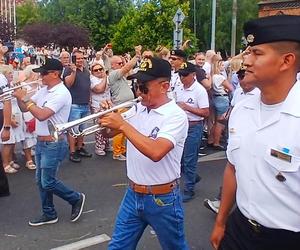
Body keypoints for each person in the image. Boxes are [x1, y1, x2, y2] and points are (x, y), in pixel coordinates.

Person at [210, 15, 300, 250]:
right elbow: (233, 167)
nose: (245, 61)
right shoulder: (242, 108)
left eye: (257, 53)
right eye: (247, 51)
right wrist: (221, 221)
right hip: (240, 229)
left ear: (286, 61)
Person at [100, 57, 189, 249]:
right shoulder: (138, 108)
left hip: (162, 198)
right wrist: (105, 118)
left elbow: (156, 152)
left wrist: (122, 124)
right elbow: (108, 133)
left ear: (164, 86)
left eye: (144, 87)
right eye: (136, 86)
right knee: (117, 246)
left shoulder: (176, 116)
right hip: (132, 193)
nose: (138, 92)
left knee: (175, 247)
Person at [13, 58, 85, 226]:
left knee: (47, 181)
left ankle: (75, 198)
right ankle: (49, 213)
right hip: (41, 142)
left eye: (44, 73)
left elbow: (42, 114)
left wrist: (26, 98)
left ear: (55, 74)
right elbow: (25, 108)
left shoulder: (61, 93)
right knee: (41, 181)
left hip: (54, 143)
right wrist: (19, 97)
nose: (41, 76)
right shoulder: (45, 90)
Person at [174, 62, 209, 202]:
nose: (182, 78)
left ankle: (189, 190)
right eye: (180, 75)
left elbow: (205, 112)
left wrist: (187, 108)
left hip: (194, 126)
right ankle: (192, 177)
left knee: (189, 160)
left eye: (184, 75)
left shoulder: (199, 90)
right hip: (181, 126)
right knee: (180, 159)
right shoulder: (179, 88)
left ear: (193, 75)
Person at [64, 50, 92, 162]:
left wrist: (89, 100)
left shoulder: (86, 70)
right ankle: (72, 151)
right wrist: (74, 72)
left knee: (82, 130)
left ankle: (80, 148)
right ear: (73, 59)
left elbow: (88, 86)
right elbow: (68, 83)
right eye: (78, 58)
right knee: (73, 130)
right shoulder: (68, 69)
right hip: (74, 104)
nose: (80, 60)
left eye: (82, 58)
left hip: (85, 104)